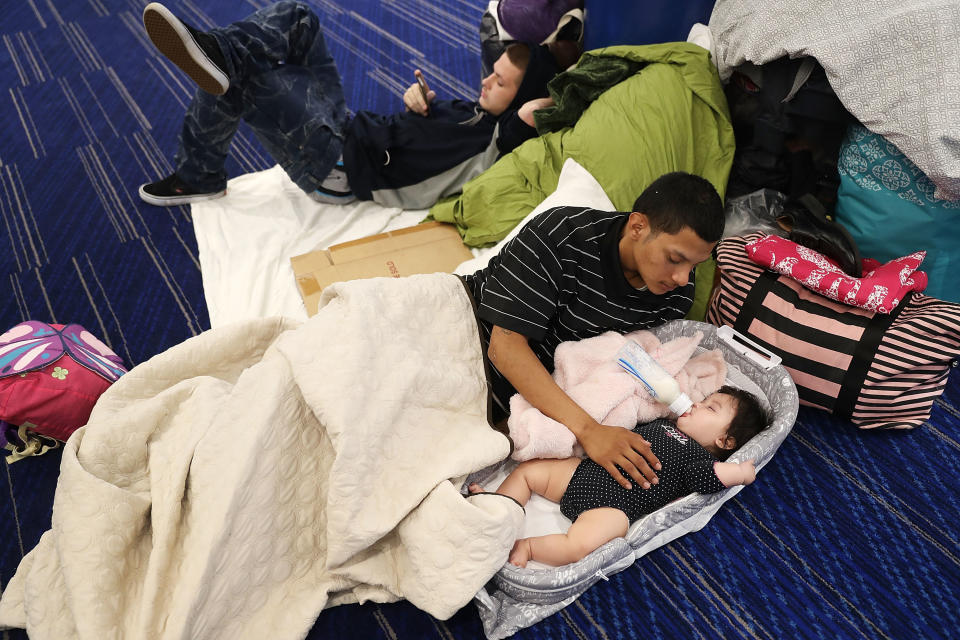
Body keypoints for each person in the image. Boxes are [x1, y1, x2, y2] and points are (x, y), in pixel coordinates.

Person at [137, 1, 559, 208]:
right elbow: (436, 136)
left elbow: (538, 112)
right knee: (299, 17)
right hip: (347, 123)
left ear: (521, 99)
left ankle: (198, 172)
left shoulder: (500, 144)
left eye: (499, 81)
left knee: (245, 77)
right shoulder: (477, 110)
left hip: (336, 167)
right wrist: (423, 106)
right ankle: (218, 54)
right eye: (491, 71)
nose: (485, 80)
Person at [462, 171, 726, 491]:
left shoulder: (673, 297)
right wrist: (588, 431)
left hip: (519, 398)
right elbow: (504, 349)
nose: (684, 278)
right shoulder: (560, 237)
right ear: (637, 227)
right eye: (674, 259)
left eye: (694, 266)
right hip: (468, 335)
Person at [470, 386, 770, 567]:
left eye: (710, 408)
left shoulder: (699, 459)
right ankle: (499, 508)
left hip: (614, 506)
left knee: (578, 546)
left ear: (726, 442)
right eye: (702, 400)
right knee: (528, 472)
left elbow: (711, 478)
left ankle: (529, 546)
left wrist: (741, 472)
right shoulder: (665, 423)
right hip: (586, 471)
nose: (696, 405)